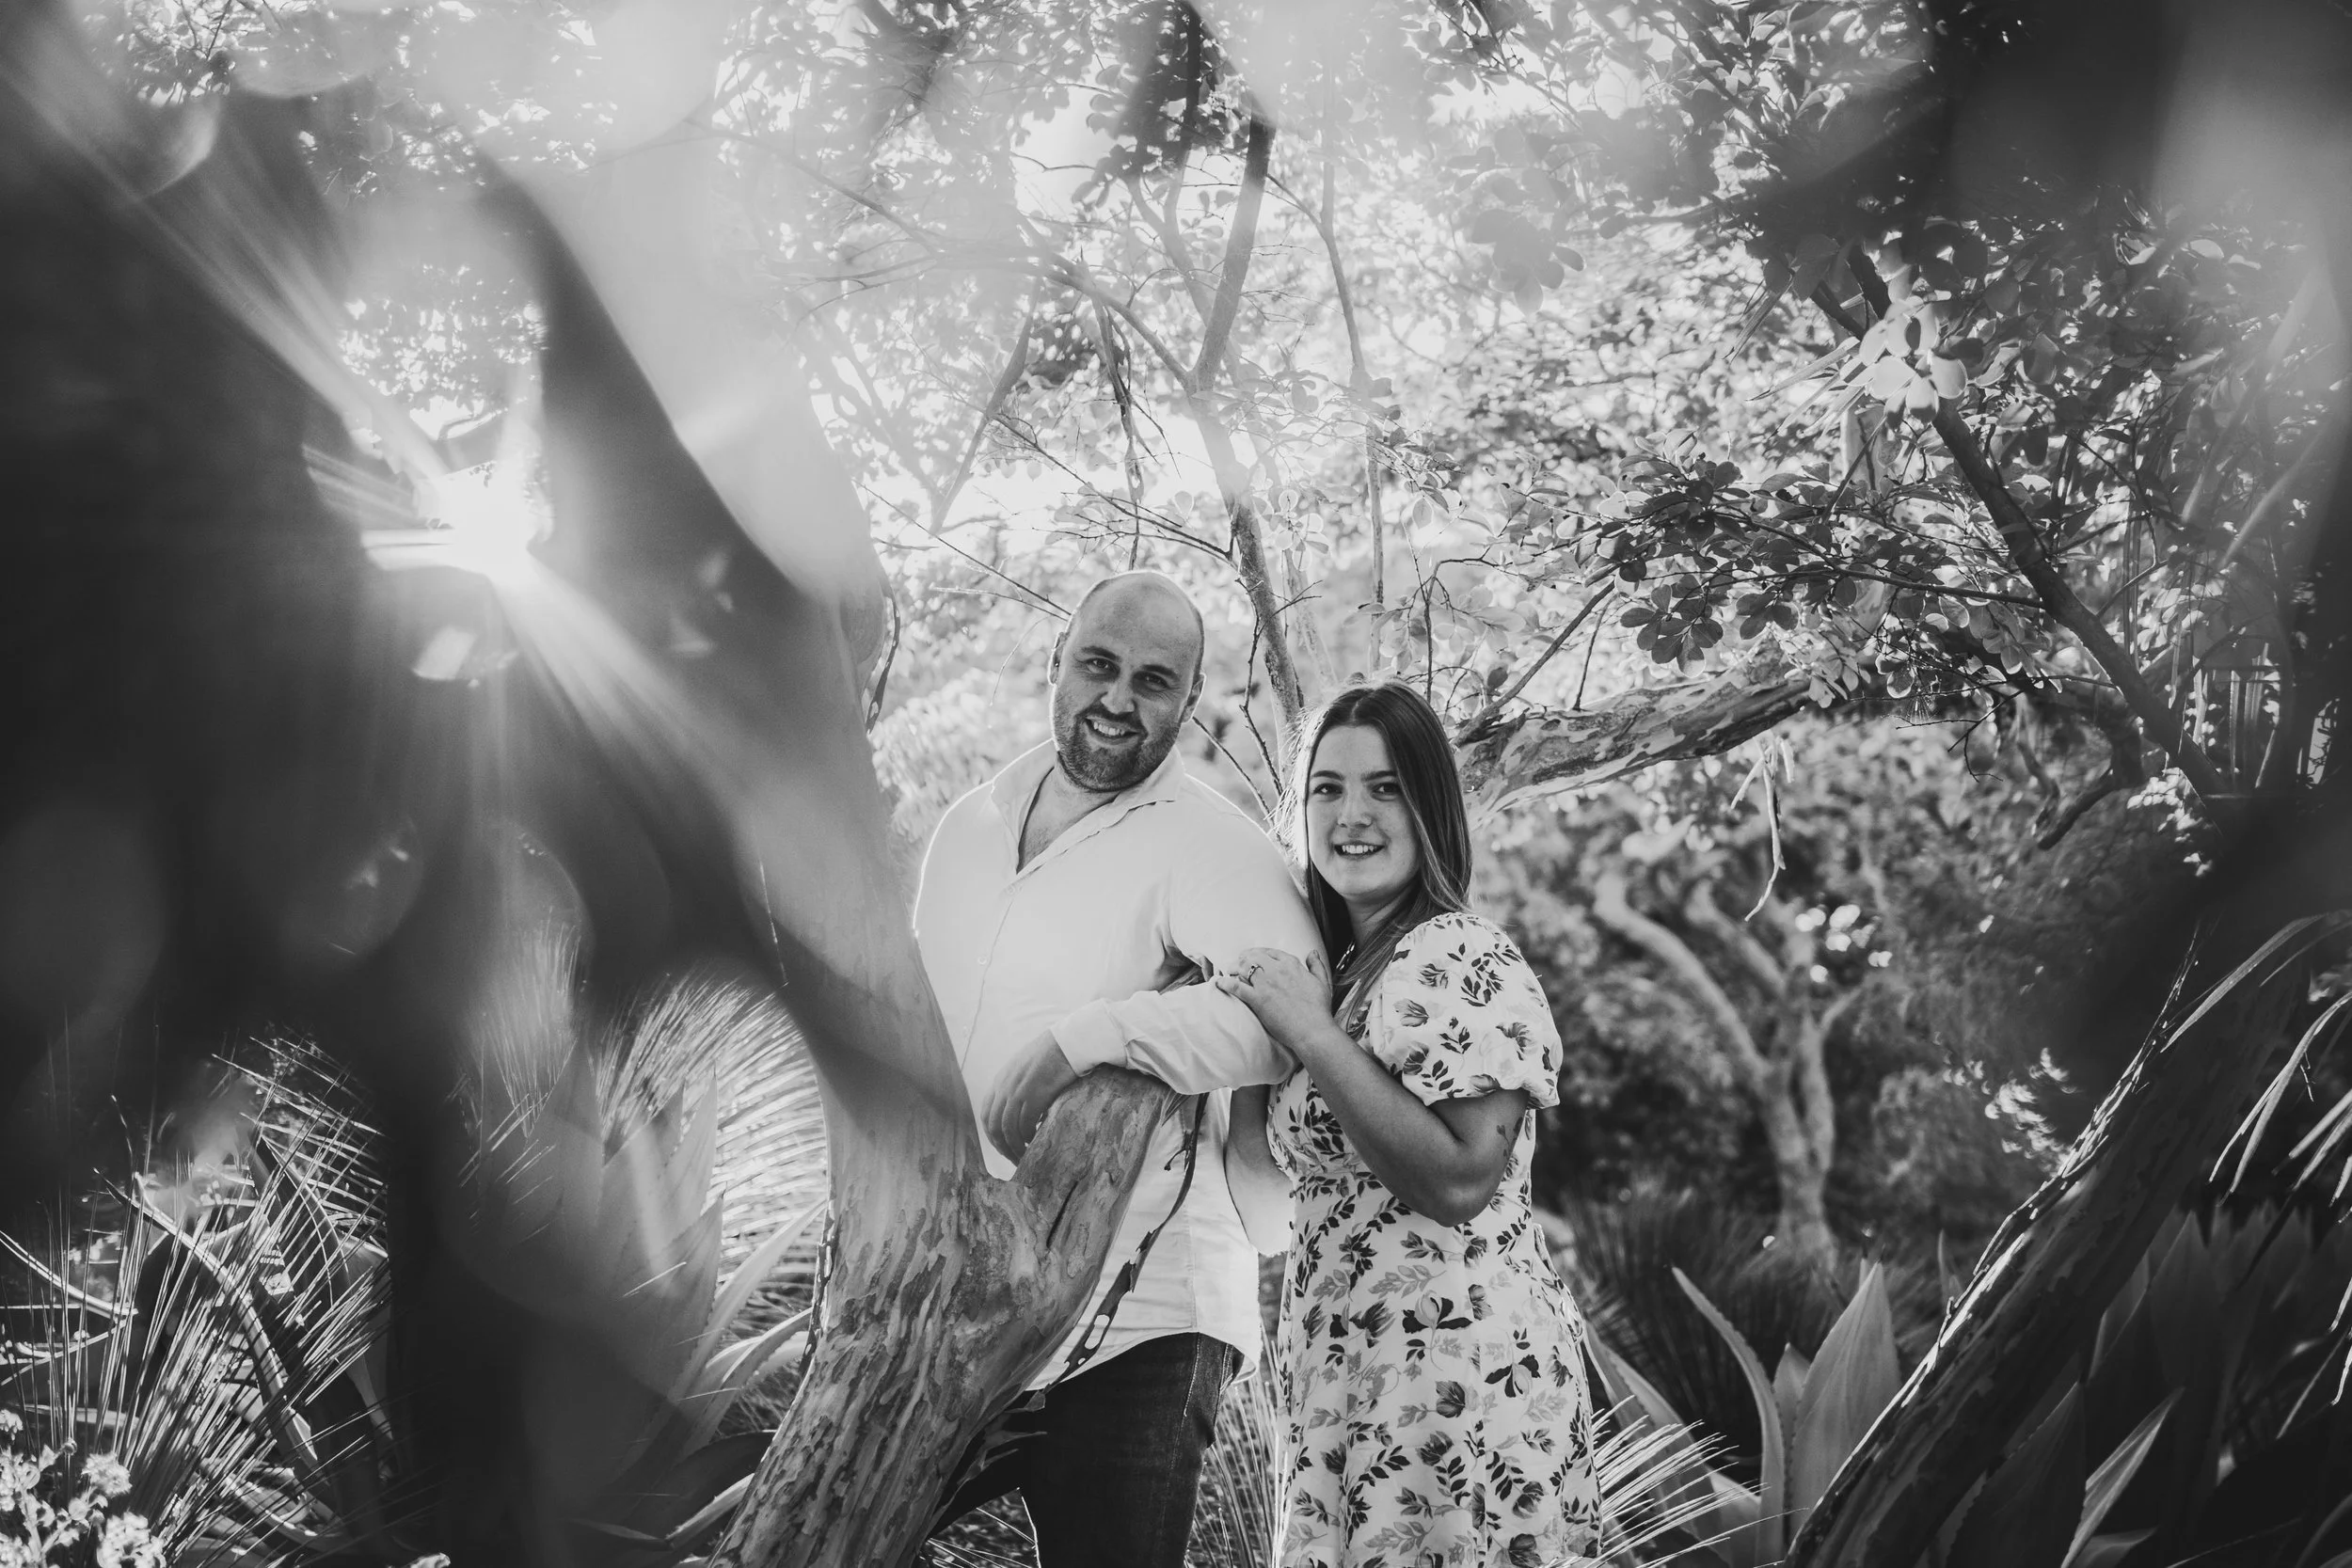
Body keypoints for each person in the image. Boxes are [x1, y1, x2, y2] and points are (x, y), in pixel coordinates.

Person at [913, 570, 1316, 1567]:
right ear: (1057, 660)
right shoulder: (969, 822)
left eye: (1153, 681)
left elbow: (1287, 1010)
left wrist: (1087, 1036)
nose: (1118, 701)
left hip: (1143, 1317)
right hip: (961, 1295)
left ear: (1189, 699)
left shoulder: (1211, 846)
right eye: (1099, 665)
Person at [1216, 681, 1601, 1568]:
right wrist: (1252, 1045)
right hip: (1344, 1375)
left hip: (1456, 1377)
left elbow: (1461, 1179)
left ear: (1429, 807)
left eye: (1386, 787)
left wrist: (1309, 1032)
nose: (1352, 813)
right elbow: (1276, 1198)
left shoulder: (1460, 953)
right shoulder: (1342, 976)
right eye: (1328, 787)